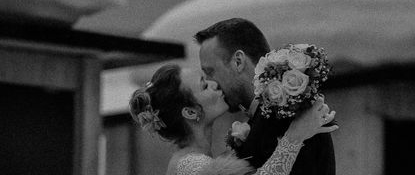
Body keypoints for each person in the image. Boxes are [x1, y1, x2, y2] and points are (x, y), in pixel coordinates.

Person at [129, 63, 338, 175]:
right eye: (204, 85)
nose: (215, 84)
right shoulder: (190, 165)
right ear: (190, 112)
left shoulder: (197, 158)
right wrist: (295, 136)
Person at [195, 18, 336, 175]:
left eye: (210, 72)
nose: (211, 83)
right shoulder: (265, 117)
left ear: (238, 61)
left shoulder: (290, 116)